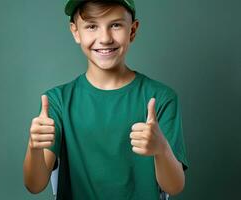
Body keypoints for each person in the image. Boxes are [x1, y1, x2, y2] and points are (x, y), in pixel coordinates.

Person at [22, 0, 190, 199]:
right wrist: (34, 146)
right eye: (92, 26)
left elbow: (174, 186)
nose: (104, 38)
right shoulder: (57, 101)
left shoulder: (161, 98)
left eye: (116, 25)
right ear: (76, 31)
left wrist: (161, 149)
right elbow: (34, 184)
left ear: (133, 30)